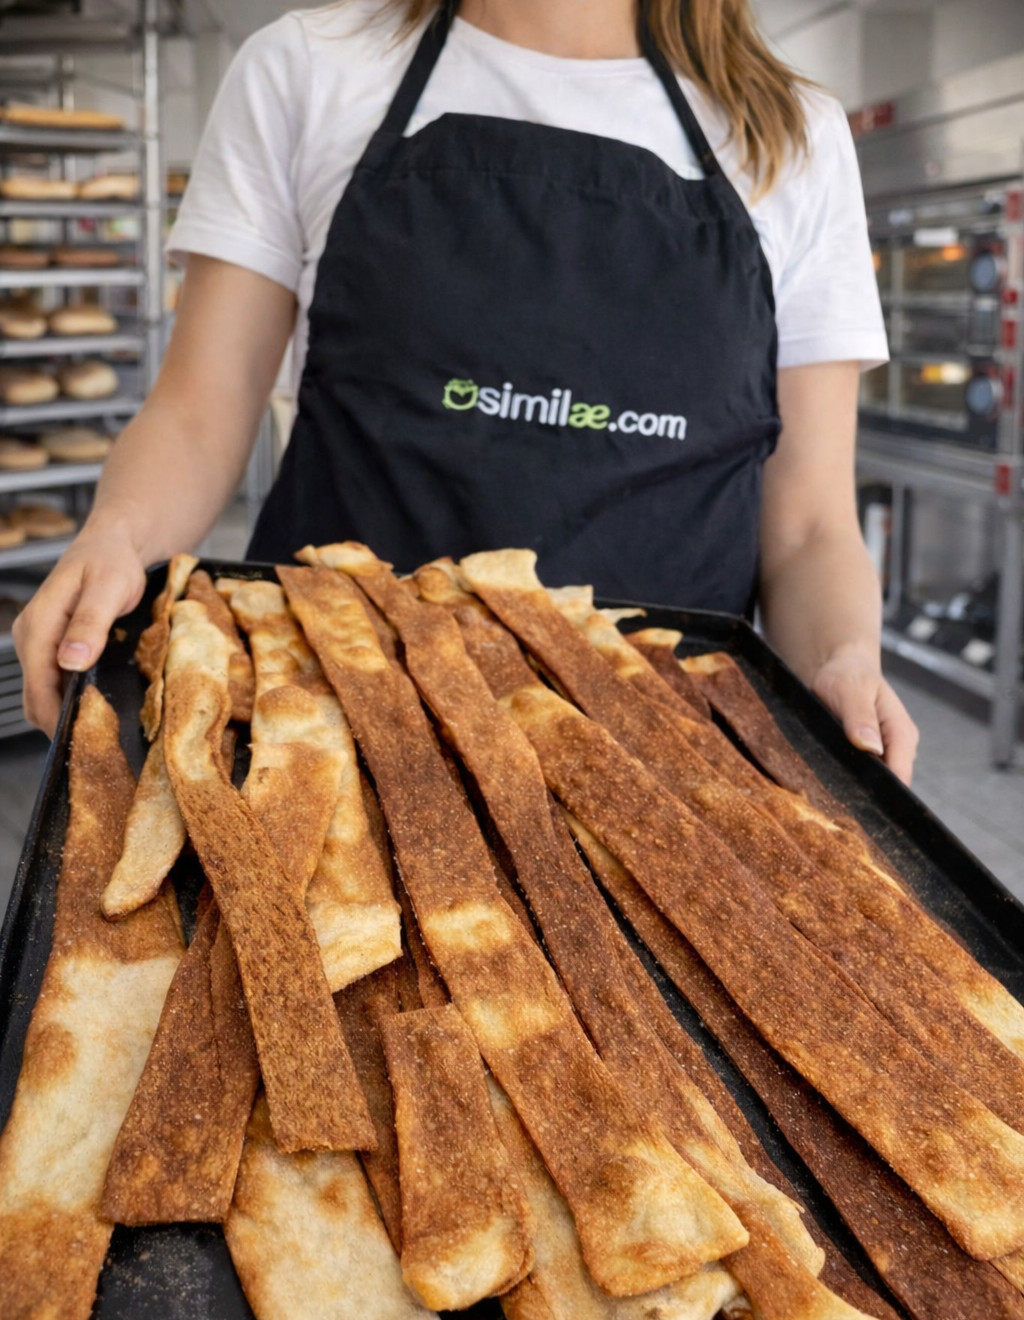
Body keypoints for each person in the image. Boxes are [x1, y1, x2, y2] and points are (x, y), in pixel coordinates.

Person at [13, 0, 918, 781]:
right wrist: (116, 536)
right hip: (329, 737)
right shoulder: (308, 69)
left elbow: (808, 527)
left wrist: (843, 660)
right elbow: (200, 411)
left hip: (664, 766)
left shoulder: (792, 134)